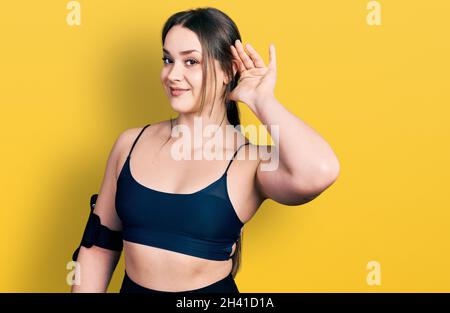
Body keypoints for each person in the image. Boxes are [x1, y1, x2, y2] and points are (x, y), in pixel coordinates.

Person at [71, 7, 340, 293]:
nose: (173, 74)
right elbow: (98, 247)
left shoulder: (249, 160)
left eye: (191, 61)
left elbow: (320, 171)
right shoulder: (129, 143)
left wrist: (262, 101)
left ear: (228, 71)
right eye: (167, 59)